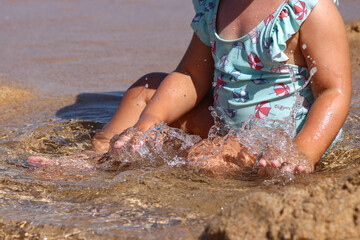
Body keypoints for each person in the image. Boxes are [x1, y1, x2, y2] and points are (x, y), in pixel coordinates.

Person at [30, 0, 352, 175]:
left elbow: (333, 91)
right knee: (143, 92)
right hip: (226, 122)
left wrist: (303, 151)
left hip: (278, 138)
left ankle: (153, 162)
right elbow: (190, 75)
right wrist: (146, 125)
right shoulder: (216, 6)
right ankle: (96, 158)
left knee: (207, 160)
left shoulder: (307, 9)